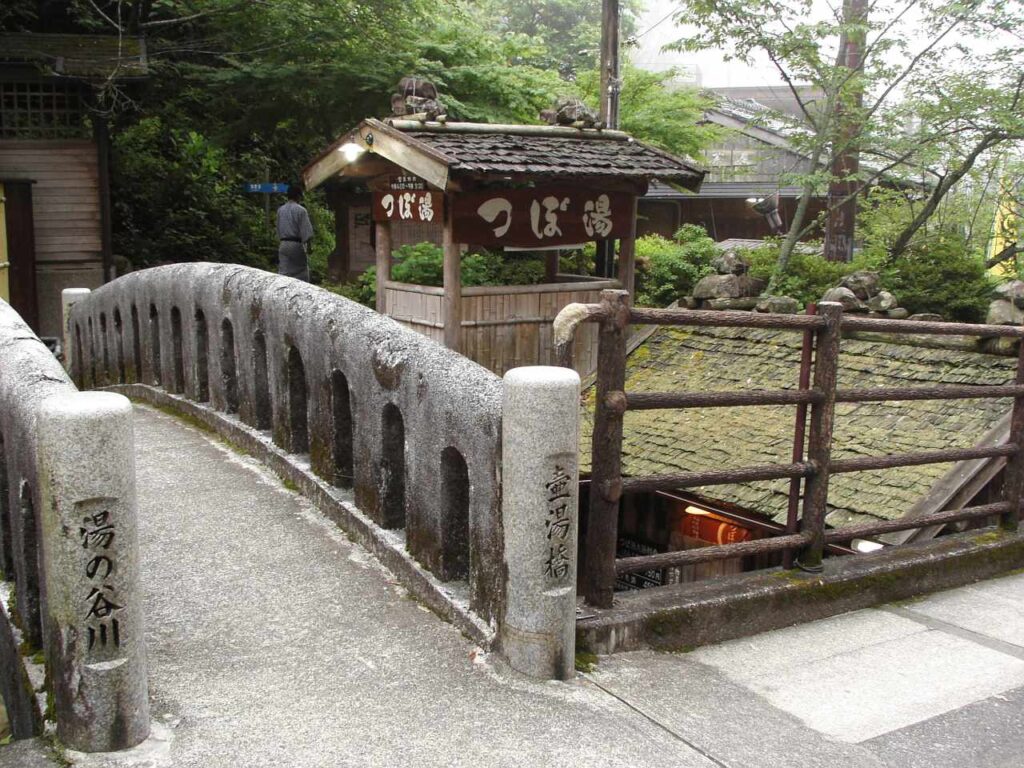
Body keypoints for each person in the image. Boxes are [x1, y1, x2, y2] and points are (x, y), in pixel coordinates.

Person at [276, 183, 314, 281]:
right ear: (298, 196)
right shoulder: (301, 210)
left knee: (284, 272)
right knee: (301, 271)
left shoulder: (280, 210)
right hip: (296, 244)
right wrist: (309, 247)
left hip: (283, 244)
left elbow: (278, 229)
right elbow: (306, 231)